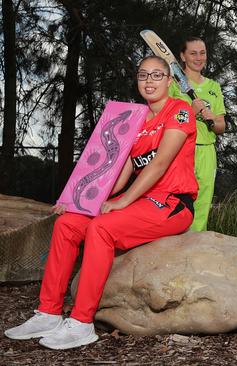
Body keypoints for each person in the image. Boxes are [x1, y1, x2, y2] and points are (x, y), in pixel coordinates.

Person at [4, 55, 198, 349]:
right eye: (143, 75)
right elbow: (119, 171)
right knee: (69, 223)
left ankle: (82, 323)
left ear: (170, 81)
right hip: (141, 200)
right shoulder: (133, 118)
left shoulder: (180, 110)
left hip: (172, 203)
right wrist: (79, 200)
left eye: (157, 75)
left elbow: (159, 164)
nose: (149, 81)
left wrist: (122, 203)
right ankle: (48, 312)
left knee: (102, 228)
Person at [170, 36, 226, 231]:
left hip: (206, 150)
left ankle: (195, 245)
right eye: (193, 53)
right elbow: (165, 120)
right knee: (177, 200)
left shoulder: (213, 87)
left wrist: (211, 118)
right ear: (182, 57)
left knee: (202, 201)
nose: (198, 57)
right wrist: (191, 113)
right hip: (180, 149)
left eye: (202, 53)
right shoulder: (172, 85)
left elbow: (221, 127)